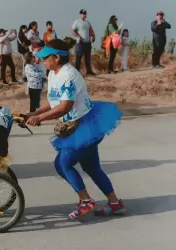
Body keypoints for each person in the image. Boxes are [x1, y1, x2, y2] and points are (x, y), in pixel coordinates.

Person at [25, 39, 125, 219]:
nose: (43, 61)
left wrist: (39, 118)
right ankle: (115, 203)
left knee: (62, 164)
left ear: (56, 57)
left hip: (84, 126)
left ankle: (85, 200)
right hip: (77, 126)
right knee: (92, 167)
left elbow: (64, 107)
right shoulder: (53, 74)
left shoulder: (69, 75)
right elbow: (54, 101)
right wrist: (33, 112)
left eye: (46, 57)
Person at [72, 9, 96, 76]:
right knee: (78, 57)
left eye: (85, 14)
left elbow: (90, 30)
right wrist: (78, 36)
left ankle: (89, 71)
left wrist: (93, 36)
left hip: (87, 43)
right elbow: (73, 30)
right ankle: (76, 72)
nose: (84, 15)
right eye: (83, 14)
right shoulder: (77, 22)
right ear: (80, 14)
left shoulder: (87, 22)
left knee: (88, 57)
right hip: (80, 43)